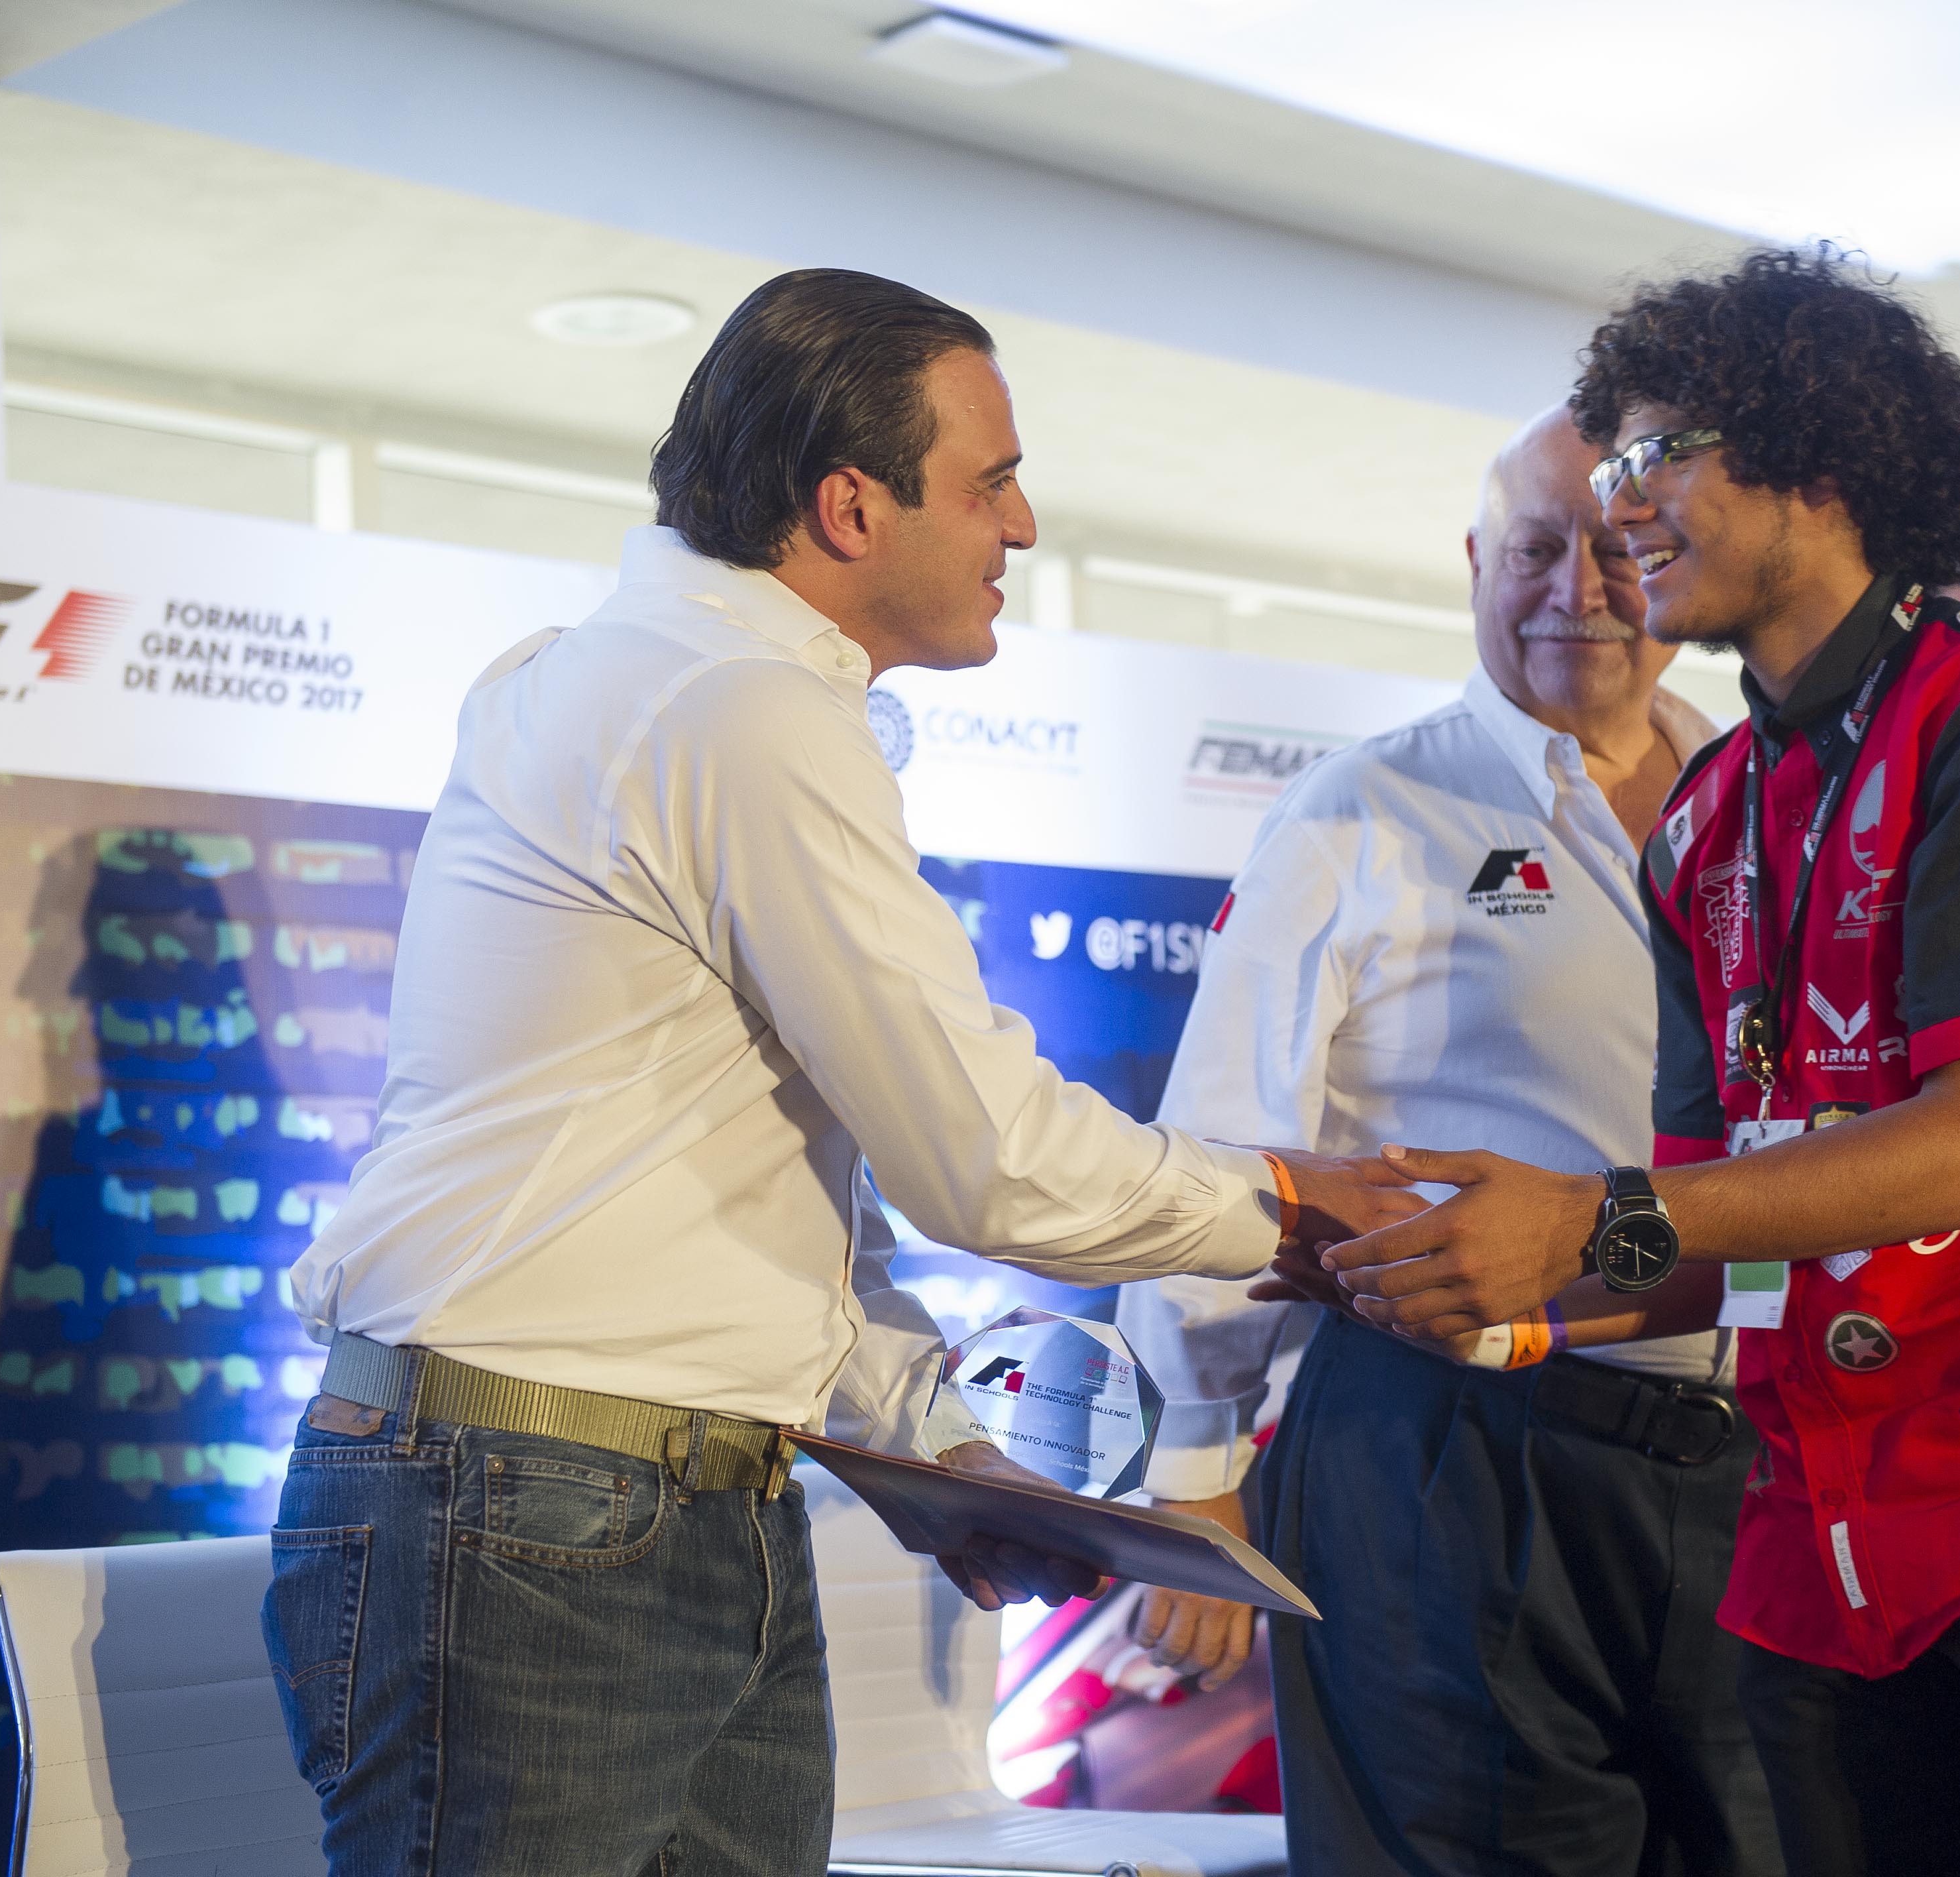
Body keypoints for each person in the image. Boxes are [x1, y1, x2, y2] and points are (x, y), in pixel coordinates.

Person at [261, 268, 1419, 1875]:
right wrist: (1298, 1206)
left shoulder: (659, 686)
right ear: (851, 506)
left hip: (622, 1496)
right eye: (992, 483)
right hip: (537, 1502)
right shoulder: (732, 708)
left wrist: (936, 1445)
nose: (1023, 528)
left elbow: (773, 1173)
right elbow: (990, 1164)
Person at [1300, 249, 1960, 1876]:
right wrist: (1467, 1282)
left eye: (1655, 453)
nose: (1617, 505)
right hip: (1818, 1520)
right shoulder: (1705, 816)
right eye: (1609, 465)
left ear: (1818, 463)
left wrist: (1582, 1220)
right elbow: (1716, 1234)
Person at [1120, 409, 1780, 1875]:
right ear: (1478, 561)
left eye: (1615, 552)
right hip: (1452, 1451)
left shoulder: (1764, 796)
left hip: (1755, 1457)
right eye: (1537, 550)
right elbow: (1226, 1135)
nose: (1577, 592)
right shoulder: (1362, 809)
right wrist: (1197, 1463)